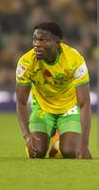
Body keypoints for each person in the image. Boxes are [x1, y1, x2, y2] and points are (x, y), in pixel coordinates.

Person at [16, 22, 92, 159]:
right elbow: (21, 102)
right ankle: (54, 138)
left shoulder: (74, 60)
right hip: (43, 108)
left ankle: (58, 141)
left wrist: (84, 144)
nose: (36, 44)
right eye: (35, 39)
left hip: (69, 107)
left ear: (57, 43)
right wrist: (27, 135)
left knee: (70, 152)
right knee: (36, 153)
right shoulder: (25, 63)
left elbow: (84, 104)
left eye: (43, 40)